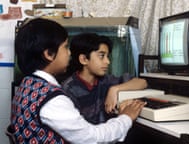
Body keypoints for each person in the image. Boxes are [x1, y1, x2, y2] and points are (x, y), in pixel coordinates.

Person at [10, 18, 146, 144]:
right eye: (65, 47)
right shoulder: (53, 99)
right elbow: (90, 137)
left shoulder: (27, 85)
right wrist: (126, 117)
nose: (69, 53)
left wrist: (116, 90)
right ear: (49, 54)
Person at [62, 33, 148, 125]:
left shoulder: (106, 80)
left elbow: (142, 82)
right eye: (101, 56)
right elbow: (78, 132)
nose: (108, 61)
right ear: (84, 59)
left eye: (108, 56)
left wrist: (114, 89)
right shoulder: (68, 90)